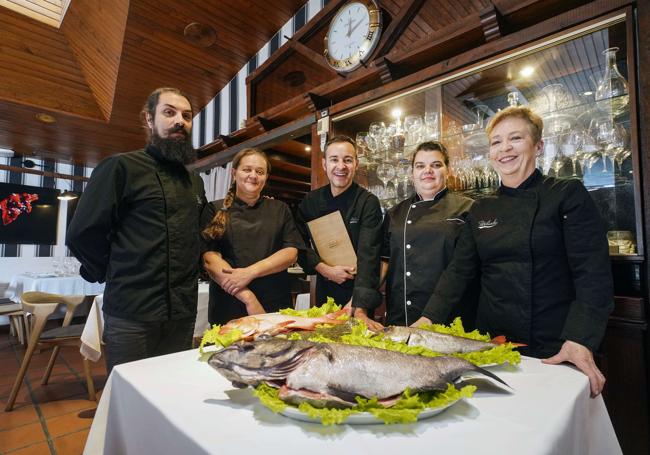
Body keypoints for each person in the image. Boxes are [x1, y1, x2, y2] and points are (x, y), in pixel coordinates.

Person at [414, 106, 613, 397]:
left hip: (555, 343)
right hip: (492, 342)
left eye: (515, 138)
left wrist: (580, 338)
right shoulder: (482, 208)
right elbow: (459, 271)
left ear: (538, 146)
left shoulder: (566, 195)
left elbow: (592, 273)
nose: (504, 148)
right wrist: (427, 320)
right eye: (496, 142)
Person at [67, 87, 207, 374]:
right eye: (169, 112)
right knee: (130, 397)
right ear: (148, 119)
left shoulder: (195, 182)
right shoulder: (120, 166)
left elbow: (196, 236)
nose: (180, 120)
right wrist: (110, 270)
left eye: (187, 115)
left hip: (182, 311)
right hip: (131, 312)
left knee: (172, 392)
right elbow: (82, 233)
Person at [201, 148, 305, 325]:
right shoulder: (215, 209)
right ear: (234, 173)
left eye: (260, 171)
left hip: (273, 303)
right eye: (247, 169)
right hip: (230, 305)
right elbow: (209, 258)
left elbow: (291, 252)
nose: (253, 175)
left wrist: (250, 272)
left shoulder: (280, 209)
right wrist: (248, 298)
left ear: (266, 177)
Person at [381, 142, 474, 326]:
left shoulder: (468, 208)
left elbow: (465, 268)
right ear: (412, 173)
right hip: (402, 316)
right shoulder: (395, 214)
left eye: (436, 165)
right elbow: (383, 262)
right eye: (420, 166)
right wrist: (359, 301)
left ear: (447, 170)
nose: (428, 170)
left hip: (452, 317)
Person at [296, 135, 383, 330]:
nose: (341, 166)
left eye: (348, 160)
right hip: (324, 294)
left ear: (356, 164)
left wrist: (359, 307)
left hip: (358, 296)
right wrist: (325, 269)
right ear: (325, 164)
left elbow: (369, 256)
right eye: (334, 159)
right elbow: (298, 244)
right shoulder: (311, 202)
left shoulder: (367, 202)